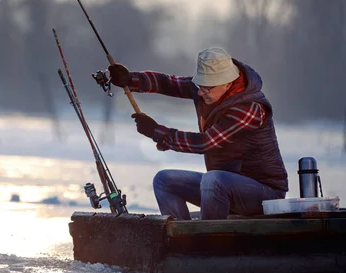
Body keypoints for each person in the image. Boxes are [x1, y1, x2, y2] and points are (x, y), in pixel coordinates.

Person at [107, 47, 288, 220]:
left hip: (264, 194)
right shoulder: (209, 89)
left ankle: (206, 240)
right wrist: (131, 79)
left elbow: (205, 143)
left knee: (213, 179)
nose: (200, 92)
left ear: (227, 84)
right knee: (164, 180)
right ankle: (179, 238)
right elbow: (169, 83)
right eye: (199, 85)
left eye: (206, 88)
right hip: (223, 188)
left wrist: (157, 132)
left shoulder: (249, 109)